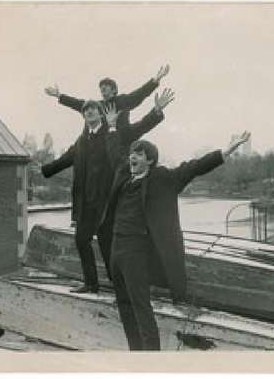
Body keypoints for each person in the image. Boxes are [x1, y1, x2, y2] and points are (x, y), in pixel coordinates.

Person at [101, 129, 251, 350]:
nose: (133, 156)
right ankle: (135, 353)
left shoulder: (162, 179)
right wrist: (113, 128)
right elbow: (114, 153)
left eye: (139, 154)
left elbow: (193, 167)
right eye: (132, 153)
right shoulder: (124, 174)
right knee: (123, 305)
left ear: (150, 160)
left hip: (136, 251)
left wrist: (226, 151)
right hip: (116, 249)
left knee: (140, 306)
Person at [41, 89, 174, 293]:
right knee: (81, 240)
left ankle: (119, 286)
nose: (89, 113)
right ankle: (91, 284)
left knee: (108, 246)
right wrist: (43, 169)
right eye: (86, 111)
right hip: (87, 204)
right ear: (84, 117)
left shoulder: (114, 134)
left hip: (108, 203)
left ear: (100, 113)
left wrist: (156, 111)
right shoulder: (81, 142)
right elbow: (65, 160)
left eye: (93, 109)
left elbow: (139, 128)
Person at [44, 65, 170, 131]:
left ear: (114, 90)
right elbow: (78, 103)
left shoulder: (122, 100)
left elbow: (139, 94)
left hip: (121, 141)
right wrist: (59, 96)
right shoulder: (97, 106)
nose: (103, 88)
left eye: (106, 86)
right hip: (103, 145)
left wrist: (155, 80)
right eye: (101, 87)